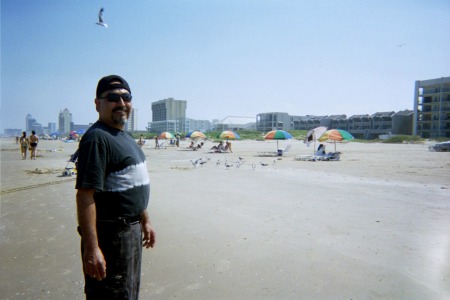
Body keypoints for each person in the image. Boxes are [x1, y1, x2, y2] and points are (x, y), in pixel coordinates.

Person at [75, 75, 156, 299]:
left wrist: (145, 219)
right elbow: (85, 196)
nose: (121, 103)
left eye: (126, 97)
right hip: (112, 236)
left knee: (128, 293)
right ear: (98, 104)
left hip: (130, 233)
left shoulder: (124, 136)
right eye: (113, 98)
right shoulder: (97, 138)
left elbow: (131, 182)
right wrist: (92, 248)